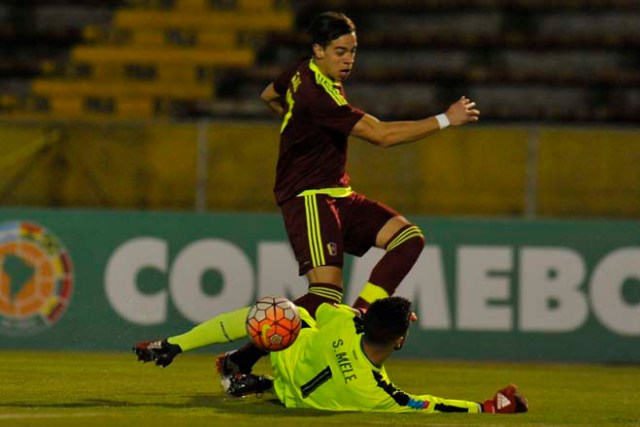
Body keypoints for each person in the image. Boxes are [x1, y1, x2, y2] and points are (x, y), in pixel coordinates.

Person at [134, 10, 480, 374]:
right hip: (310, 197)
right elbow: (381, 136)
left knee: (408, 239)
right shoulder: (319, 96)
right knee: (322, 298)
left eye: (353, 51)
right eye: (340, 52)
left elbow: (269, 94)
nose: (348, 60)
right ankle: (195, 349)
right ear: (318, 50)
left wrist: (293, 122)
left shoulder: (302, 72)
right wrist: (446, 119)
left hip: (338, 194)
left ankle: (357, 316)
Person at [135, 296, 528, 414]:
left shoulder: (345, 323)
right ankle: (250, 380)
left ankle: (182, 346)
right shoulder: (376, 393)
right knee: (301, 331)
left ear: (366, 317)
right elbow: (429, 406)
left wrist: (356, 313)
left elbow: (325, 309)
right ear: (401, 341)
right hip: (296, 396)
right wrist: (486, 408)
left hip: (286, 359)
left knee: (286, 312)